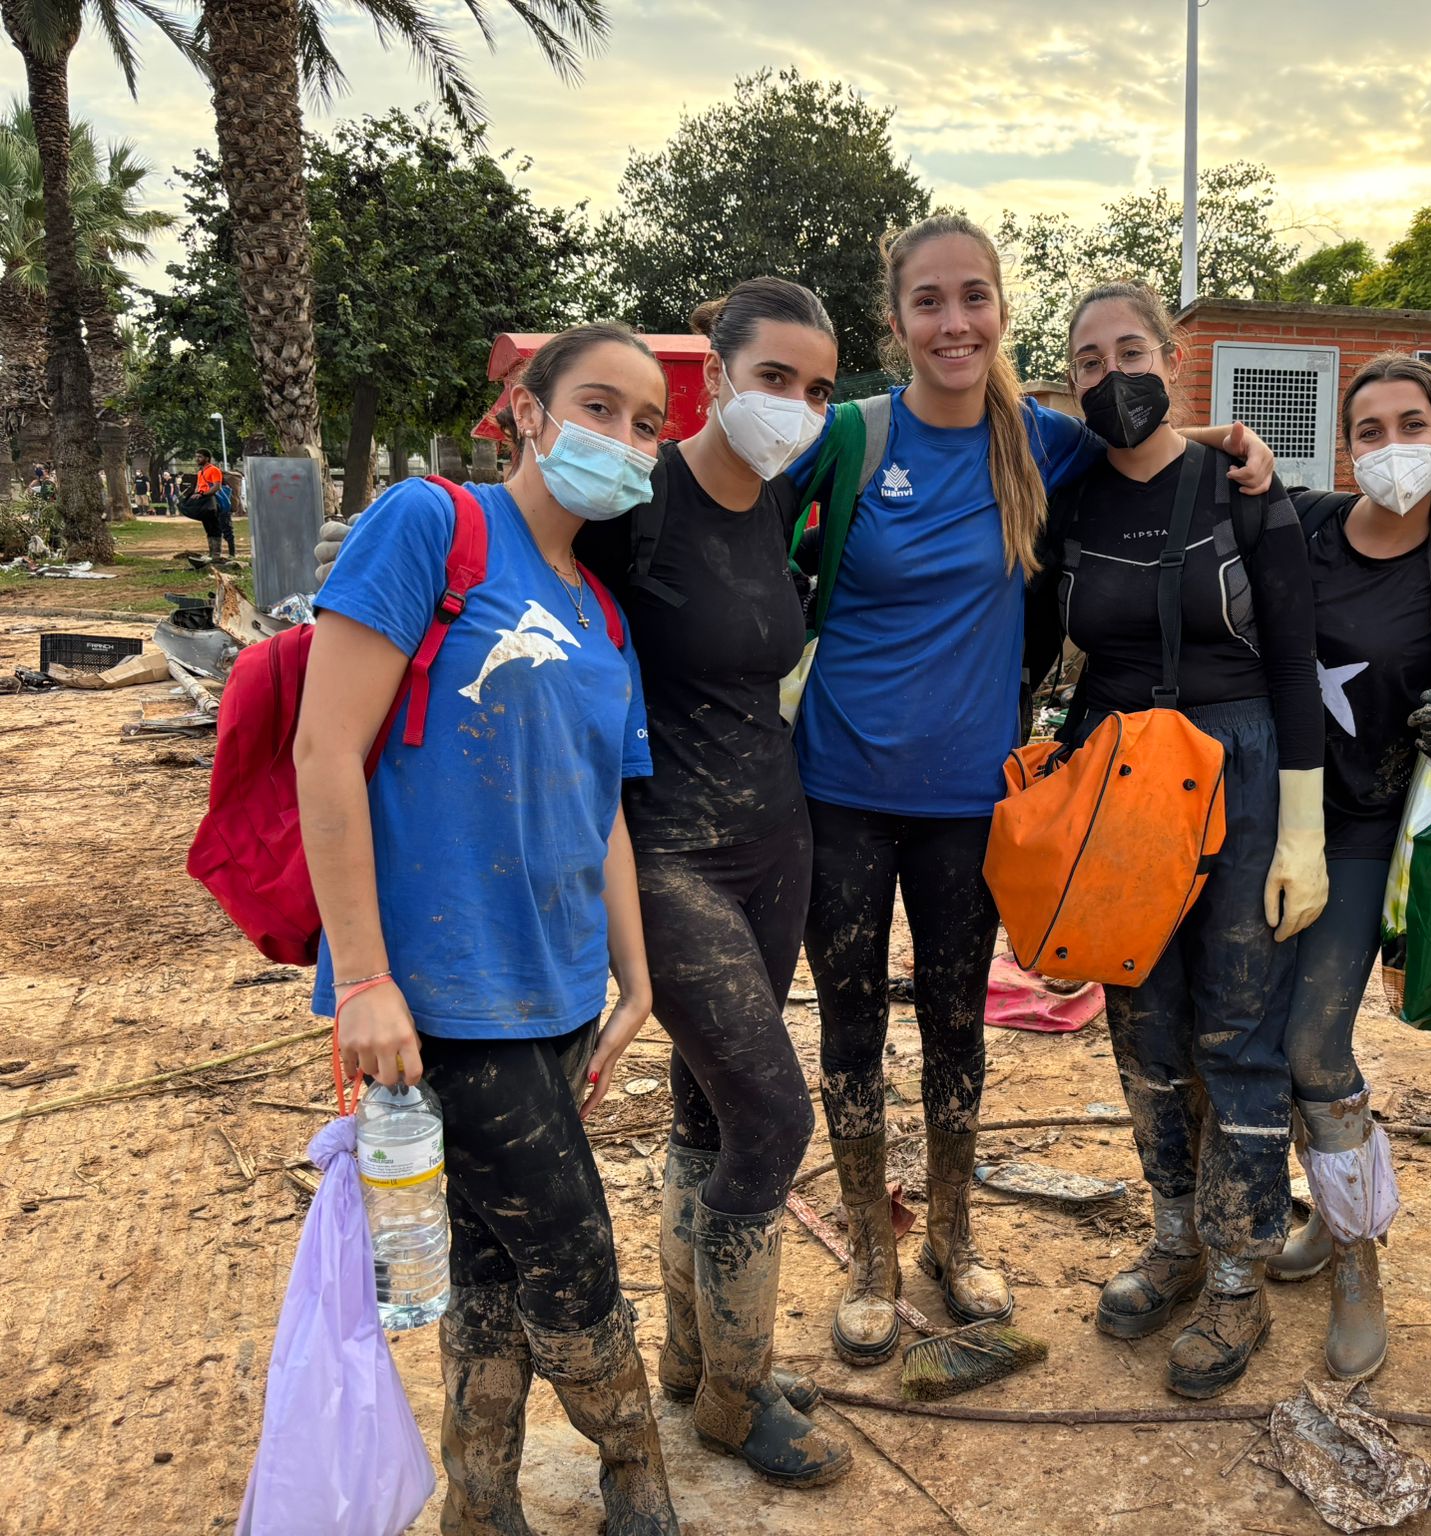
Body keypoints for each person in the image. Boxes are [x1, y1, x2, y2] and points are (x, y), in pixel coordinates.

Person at [794, 217, 1277, 1371]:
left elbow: (1145, 447)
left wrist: (1230, 440)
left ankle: (950, 1240)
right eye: (927, 301)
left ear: (1001, 310)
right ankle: (869, 1258)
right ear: (895, 320)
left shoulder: (1039, 442)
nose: (952, 322)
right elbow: (732, 518)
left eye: (973, 296)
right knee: (851, 1025)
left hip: (974, 801)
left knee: (957, 1021)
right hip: (838, 788)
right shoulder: (849, 438)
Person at [296, 322, 680, 1534]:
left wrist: (634, 981)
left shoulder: (603, 616)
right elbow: (324, 751)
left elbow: (602, 811)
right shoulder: (435, 527)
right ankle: (636, 1475)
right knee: (572, 1255)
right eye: (599, 407)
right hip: (443, 997)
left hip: (560, 988)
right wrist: (364, 978)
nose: (623, 439)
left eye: (647, 425)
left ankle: (479, 1502)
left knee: (490, 1266)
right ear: (526, 409)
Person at [574, 278, 851, 1489]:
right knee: (777, 1118)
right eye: (774, 377)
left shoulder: (784, 500)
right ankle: (738, 1401)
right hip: (665, 855)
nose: (795, 405)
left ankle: (696, 1360)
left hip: (775, 845)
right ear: (718, 376)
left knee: (712, 1109)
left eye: (818, 387)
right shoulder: (632, 506)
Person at [1043, 281, 1325, 1399]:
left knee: (1239, 1033)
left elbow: (1294, 663)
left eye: (1131, 351)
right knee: (1143, 1026)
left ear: (1172, 358)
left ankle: (1239, 1275)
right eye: (1088, 361)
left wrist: (1300, 829)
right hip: (1117, 788)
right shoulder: (1068, 499)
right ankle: (1174, 1240)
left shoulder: (1243, 488)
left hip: (1241, 771)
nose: (1112, 376)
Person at [1270, 354, 1431, 1381]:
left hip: (1371, 829)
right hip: (1269, 818)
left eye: (1412, 425)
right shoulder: (1302, 527)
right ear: (1345, 448)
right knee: (1259, 1038)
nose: (1392, 446)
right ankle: (1325, 1214)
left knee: (1315, 1044)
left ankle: (1357, 1262)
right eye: (1369, 431)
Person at [192, 451, 234, 559]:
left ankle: (232, 554)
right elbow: (198, 487)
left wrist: (202, 494)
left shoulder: (214, 470)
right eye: (196, 457)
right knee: (210, 528)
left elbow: (217, 487)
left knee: (226, 529)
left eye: (200, 457)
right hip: (205, 503)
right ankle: (213, 553)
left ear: (207, 458)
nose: (197, 459)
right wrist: (196, 495)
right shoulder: (200, 472)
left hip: (216, 502)